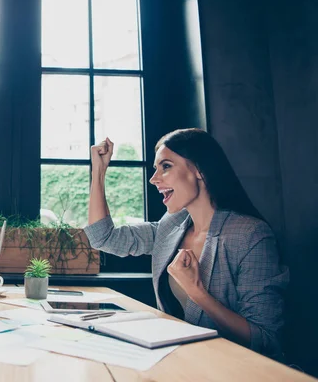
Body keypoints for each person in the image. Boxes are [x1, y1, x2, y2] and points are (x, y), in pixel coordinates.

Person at [85, 128, 289, 360]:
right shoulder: (172, 225)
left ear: (199, 170)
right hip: (183, 364)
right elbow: (104, 237)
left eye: (166, 166)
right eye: (155, 169)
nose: (154, 179)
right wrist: (98, 172)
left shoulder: (251, 235)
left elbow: (265, 339)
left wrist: (196, 291)